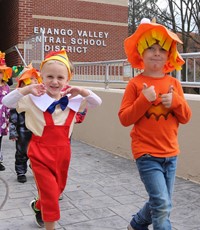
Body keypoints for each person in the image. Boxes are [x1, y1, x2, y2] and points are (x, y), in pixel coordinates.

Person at [2, 49, 102, 230]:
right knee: (49, 194)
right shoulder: (33, 99)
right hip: (40, 153)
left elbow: (97, 102)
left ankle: (37, 206)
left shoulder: (74, 99)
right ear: (42, 77)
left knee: (56, 192)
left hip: (63, 154)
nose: (54, 81)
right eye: (49, 76)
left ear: (67, 80)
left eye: (60, 77)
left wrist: (83, 91)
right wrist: (26, 89)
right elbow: (7, 102)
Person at [118, 18, 192, 230]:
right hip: (146, 154)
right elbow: (124, 118)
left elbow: (186, 117)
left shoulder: (174, 84)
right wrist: (144, 100)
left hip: (171, 154)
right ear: (142, 52)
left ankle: (137, 224)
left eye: (162, 48)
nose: (157, 52)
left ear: (169, 54)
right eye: (151, 47)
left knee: (161, 202)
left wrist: (176, 102)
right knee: (161, 204)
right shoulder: (135, 84)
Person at [9, 64, 42, 183]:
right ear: (23, 83)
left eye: (35, 78)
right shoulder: (19, 99)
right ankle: (20, 171)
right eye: (30, 79)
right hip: (22, 130)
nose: (33, 81)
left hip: (36, 130)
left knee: (37, 152)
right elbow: (13, 115)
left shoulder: (39, 97)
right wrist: (13, 131)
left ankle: (35, 166)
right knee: (22, 152)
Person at [0, 51, 12, 171]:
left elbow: (8, 103)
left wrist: (8, 118)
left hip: (2, 118)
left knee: (0, 140)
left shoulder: (6, 87)